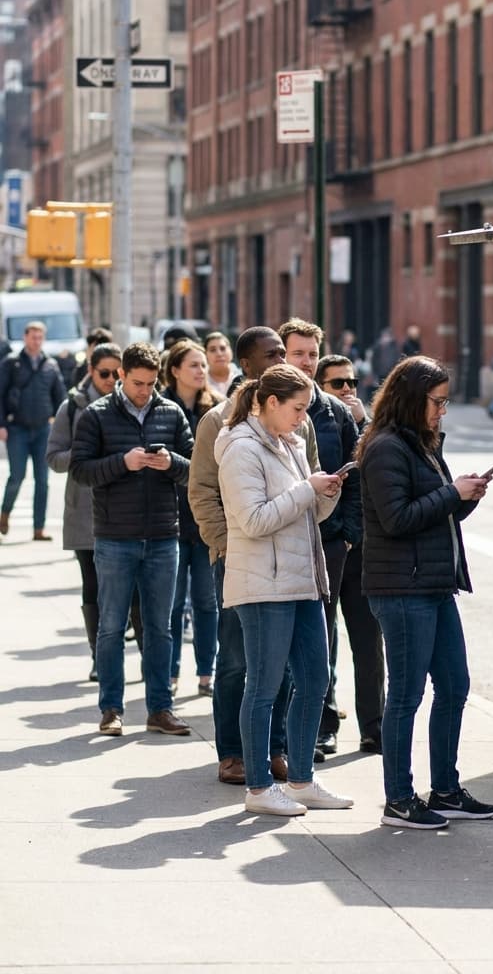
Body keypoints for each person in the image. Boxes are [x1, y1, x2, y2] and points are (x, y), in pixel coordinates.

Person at [358, 355, 493, 829]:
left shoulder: (422, 443)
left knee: (455, 686)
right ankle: (399, 799)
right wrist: (452, 494)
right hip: (401, 589)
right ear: (411, 399)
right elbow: (397, 519)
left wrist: (466, 496)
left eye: (445, 402)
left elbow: (437, 513)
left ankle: (446, 789)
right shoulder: (385, 448)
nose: (442, 411)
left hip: (434, 584)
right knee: (406, 696)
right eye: (437, 402)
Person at [216, 363, 352, 816]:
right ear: (270, 402)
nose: (302, 417)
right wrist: (307, 490)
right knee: (264, 687)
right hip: (263, 585)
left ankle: (301, 780)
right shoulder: (240, 447)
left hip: (302, 579)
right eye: (297, 408)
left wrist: (326, 492)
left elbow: (307, 515)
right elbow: (254, 521)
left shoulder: (291, 443)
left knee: (315, 680)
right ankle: (258, 787)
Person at [188, 326, 317, 786]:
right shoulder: (219, 422)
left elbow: (309, 479)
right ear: (246, 366)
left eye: (284, 352)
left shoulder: (299, 421)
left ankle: (274, 749)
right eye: (271, 354)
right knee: (237, 661)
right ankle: (232, 753)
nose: (282, 359)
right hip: (241, 556)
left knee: (282, 666)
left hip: (290, 559)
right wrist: (225, 543)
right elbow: (202, 490)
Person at [69, 341, 195, 738]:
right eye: (137, 383)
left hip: (162, 535)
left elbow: (195, 468)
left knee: (160, 628)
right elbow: (80, 470)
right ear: (121, 375)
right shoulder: (96, 414)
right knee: (111, 627)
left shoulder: (170, 412)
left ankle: (160, 708)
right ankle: (111, 708)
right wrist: (122, 463)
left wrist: (170, 463)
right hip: (115, 537)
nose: (144, 390)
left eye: (151, 383)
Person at [279, 318, 362, 758]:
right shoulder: (265, 405)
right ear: (282, 355)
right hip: (278, 538)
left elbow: (356, 472)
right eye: (298, 353)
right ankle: (282, 732)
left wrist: (347, 534)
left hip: (328, 540)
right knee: (281, 640)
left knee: (321, 636)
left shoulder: (334, 412)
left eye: (313, 354)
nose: (307, 361)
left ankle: (322, 724)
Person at [317, 353, 384, 753]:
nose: (347, 389)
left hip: (362, 550)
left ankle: (374, 725)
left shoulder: (368, 426)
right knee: (322, 640)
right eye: (337, 383)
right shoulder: (313, 422)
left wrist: (364, 424)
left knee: (369, 641)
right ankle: (325, 724)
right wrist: (340, 536)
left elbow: (375, 473)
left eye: (352, 382)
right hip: (327, 545)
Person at [46, 341, 122, 680]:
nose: (111, 380)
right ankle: (99, 657)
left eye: (117, 374)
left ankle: (127, 654)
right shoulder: (72, 408)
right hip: (84, 513)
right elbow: (53, 458)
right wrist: (83, 453)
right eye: (104, 373)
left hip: (125, 511)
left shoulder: (130, 403)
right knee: (93, 585)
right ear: (91, 371)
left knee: (127, 590)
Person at [162, 339, 223, 698]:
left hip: (206, 520)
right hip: (170, 518)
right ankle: (170, 673)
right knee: (171, 604)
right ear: (174, 370)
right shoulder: (162, 409)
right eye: (194, 365)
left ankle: (205, 672)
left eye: (203, 365)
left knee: (206, 601)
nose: (202, 371)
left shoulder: (214, 408)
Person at [0, 321, 67, 541]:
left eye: (40, 337)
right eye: (33, 337)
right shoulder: (11, 363)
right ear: (25, 337)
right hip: (17, 429)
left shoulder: (50, 365)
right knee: (17, 476)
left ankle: (39, 529)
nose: (36, 341)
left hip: (42, 430)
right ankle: (4, 513)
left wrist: (59, 423)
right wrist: (1, 424)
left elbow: (60, 397)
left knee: (43, 480)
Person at [204, 331, 242, 397]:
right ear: (205, 354)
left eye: (223, 348)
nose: (219, 354)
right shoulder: (199, 379)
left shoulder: (243, 378)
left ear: (231, 352)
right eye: (212, 350)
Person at [367, 326, 400, 397]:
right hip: (380, 372)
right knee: (381, 388)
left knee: (390, 388)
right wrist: (375, 371)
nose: (385, 338)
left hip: (391, 371)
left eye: (387, 336)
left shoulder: (393, 346)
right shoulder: (378, 346)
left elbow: (397, 358)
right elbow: (374, 359)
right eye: (384, 336)